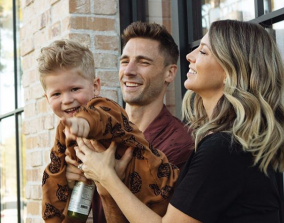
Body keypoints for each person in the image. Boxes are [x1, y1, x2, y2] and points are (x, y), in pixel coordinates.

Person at [74, 19, 284, 223]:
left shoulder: (225, 148)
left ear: (230, 70)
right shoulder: (226, 142)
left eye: (203, 51)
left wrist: (106, 177)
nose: (190, 55)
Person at [65, 21, 194, 223]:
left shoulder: (181, 145)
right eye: (125, 61)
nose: (129, 71)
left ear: (170, 72)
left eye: (143, 62)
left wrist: (106, 184)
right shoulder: (99, 130)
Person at [38, 39, 179, 223]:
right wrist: (64, 192)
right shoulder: (63, 133)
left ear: (95, 86)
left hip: (158, 194)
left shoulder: (104, 107)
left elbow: (98, 120)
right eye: (56, 94)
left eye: (74, 89)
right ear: (47, 98)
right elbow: (54, 173)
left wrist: (83, 124)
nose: (67, 99)